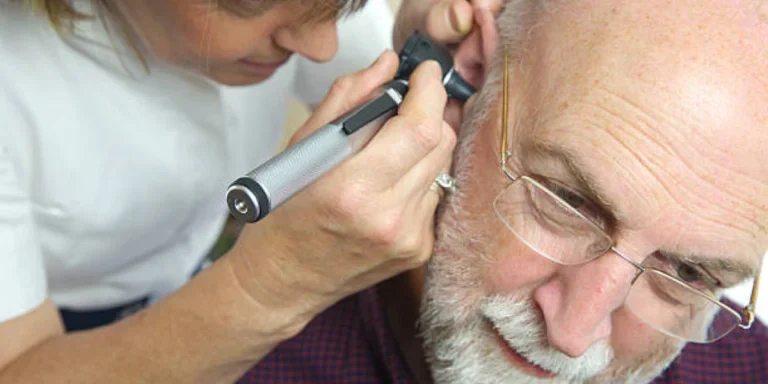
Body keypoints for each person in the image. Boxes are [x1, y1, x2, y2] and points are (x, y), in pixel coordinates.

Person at [240, 0, 768, 383]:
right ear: (470, 77)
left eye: (689, 273)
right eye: (569, 201)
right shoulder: (239, 357)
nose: (574, 334)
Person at [0, 0, 490, 382]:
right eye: (250, 3)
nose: (322, 46)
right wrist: (263, 286)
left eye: (342, 6)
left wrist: (427, 53)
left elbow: (392, 87)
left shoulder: (297, 22)